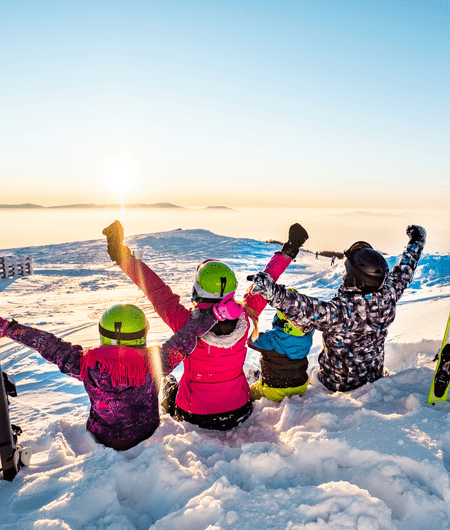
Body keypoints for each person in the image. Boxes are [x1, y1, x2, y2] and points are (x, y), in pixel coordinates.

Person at [102, 220, 308, 431]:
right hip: (239, 409)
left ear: (198, 289)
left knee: (169, 383)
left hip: (195, 414)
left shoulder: (185, 323)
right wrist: (289, 249)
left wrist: (122, 257)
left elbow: (155, 290)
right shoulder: (246, 316)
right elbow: (267, 281)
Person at [0, 298, 242, 450]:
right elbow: (186, 337)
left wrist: (10, 329)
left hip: (103, 437)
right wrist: (214, 315)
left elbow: (47, 344)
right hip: (146, 433)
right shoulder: (154, 362)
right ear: (141, 334)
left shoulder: (85, 364)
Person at [249, 225, 426, 393]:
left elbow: (305, 308)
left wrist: (272, 292)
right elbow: (404, 271)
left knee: (309, 375)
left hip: (335, 384)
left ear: (355, 279)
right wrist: (416, 242)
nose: (344, 276)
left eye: (347, 272)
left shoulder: (342, 312)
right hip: (373, 376)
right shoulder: (388, 295)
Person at [248, 288, 315, 402]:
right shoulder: (307, 337)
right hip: (300, 387)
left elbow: (251, 340)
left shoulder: (271, 339)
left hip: (274, 390)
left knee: (250, 391)